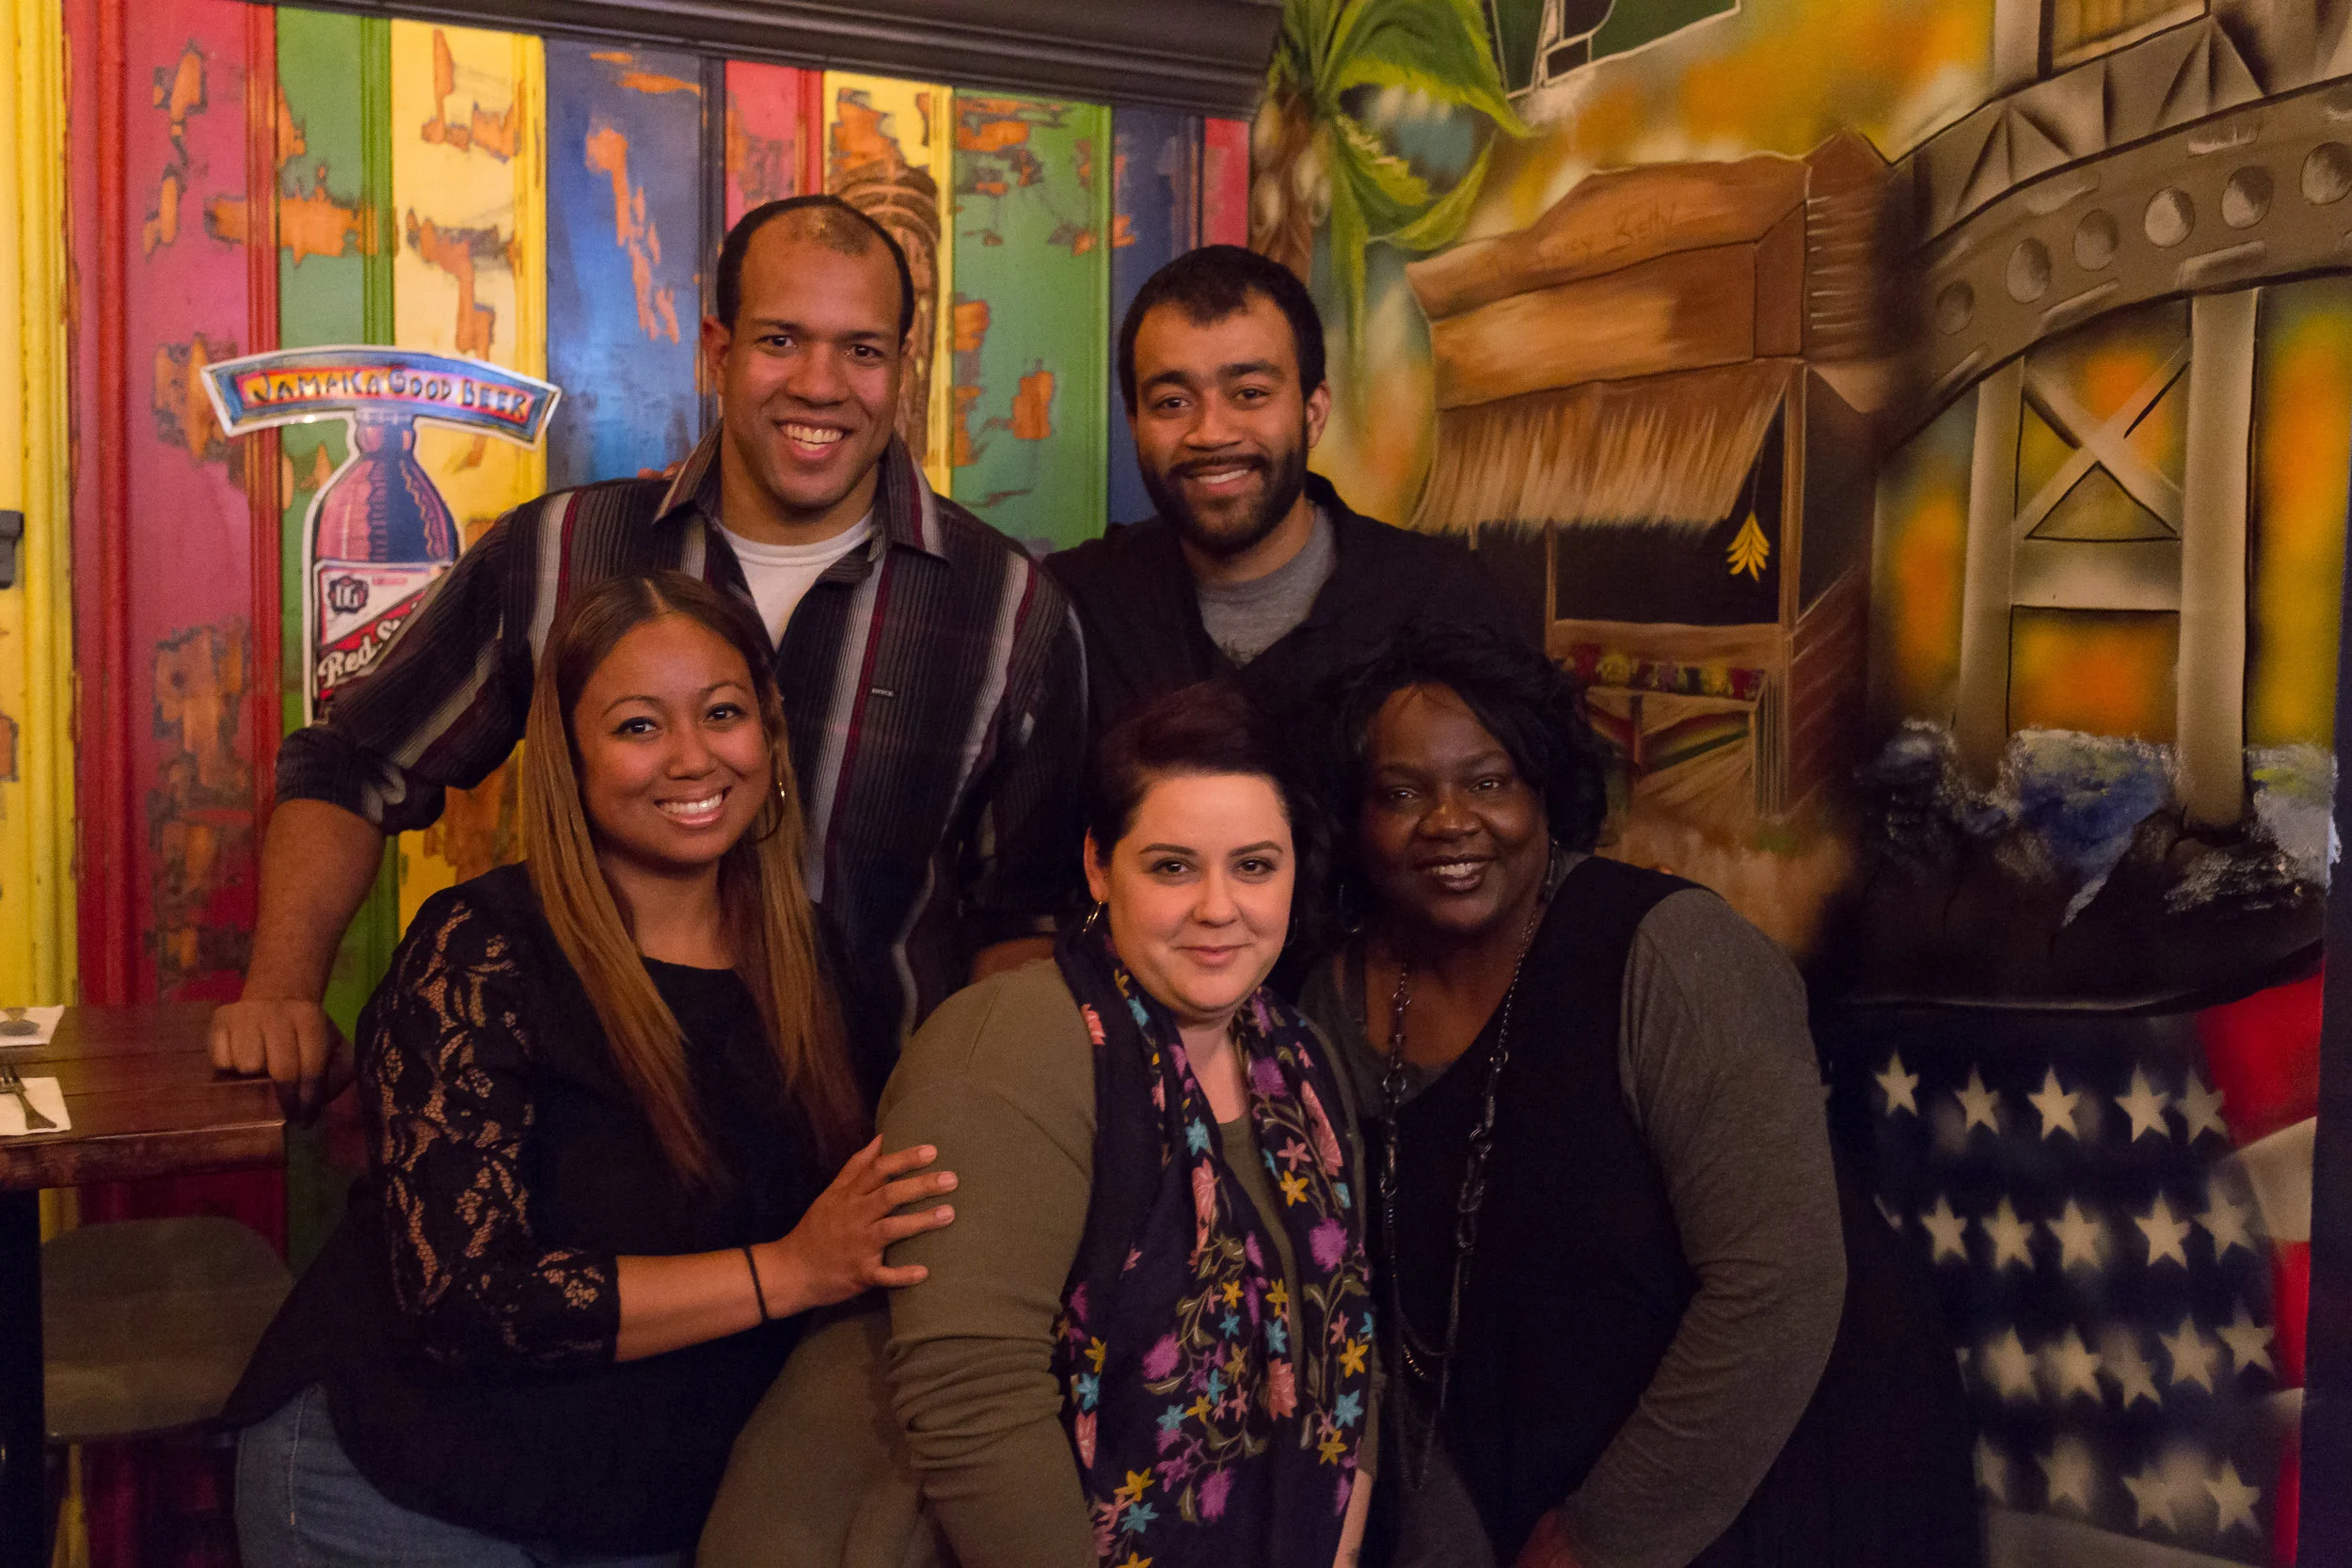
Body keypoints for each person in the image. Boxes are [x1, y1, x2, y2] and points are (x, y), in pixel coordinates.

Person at [213, 193, 1086, 1115]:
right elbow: (354, 762)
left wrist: (981, 1131)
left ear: (902, 366)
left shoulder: (1006, 609)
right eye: (781, 340)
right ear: (718, 349)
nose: (821, 385)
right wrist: (280, 988)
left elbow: (1022, 917)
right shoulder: (560, 554)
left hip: (871, 1151)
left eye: (861, 349)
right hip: (586, 1140)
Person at [224, 573, 962, 1566]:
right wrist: (789, 1269)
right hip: (410, 1482)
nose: (693, 756)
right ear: (570, 758)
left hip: (649, 1504)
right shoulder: (481, 950)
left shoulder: (822, 966)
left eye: (724, 713)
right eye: (637, 726)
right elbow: (468, 1299)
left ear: (771, 734)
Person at [1302, 624, 1976, 1568]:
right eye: (1402, 792)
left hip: (1762, 1484)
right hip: (1503, 1495)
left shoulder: (1672, 956)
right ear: (1355, 817)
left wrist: (1601, 1537)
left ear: (1544, 791)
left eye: (1489, 781)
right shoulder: (1326, 1007)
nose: (1449, 818)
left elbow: (1776, 1286)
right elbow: (1369, 1322)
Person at [699, 681, 1376, 1568]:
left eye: (1255, 865)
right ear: (1100, 867)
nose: (1219, 906)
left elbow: (1345, 1354)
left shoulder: (1298, 1059)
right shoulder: (1011, 1044)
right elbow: (974, 1405)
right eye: (1172, 866)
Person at [1046, 245, 1523, 738]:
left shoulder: (1438, 602)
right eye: (1172, 402)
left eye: (1249, 394)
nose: (1210, 433)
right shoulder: (1075, 608)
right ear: (1135, 423)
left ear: (1312, 414)